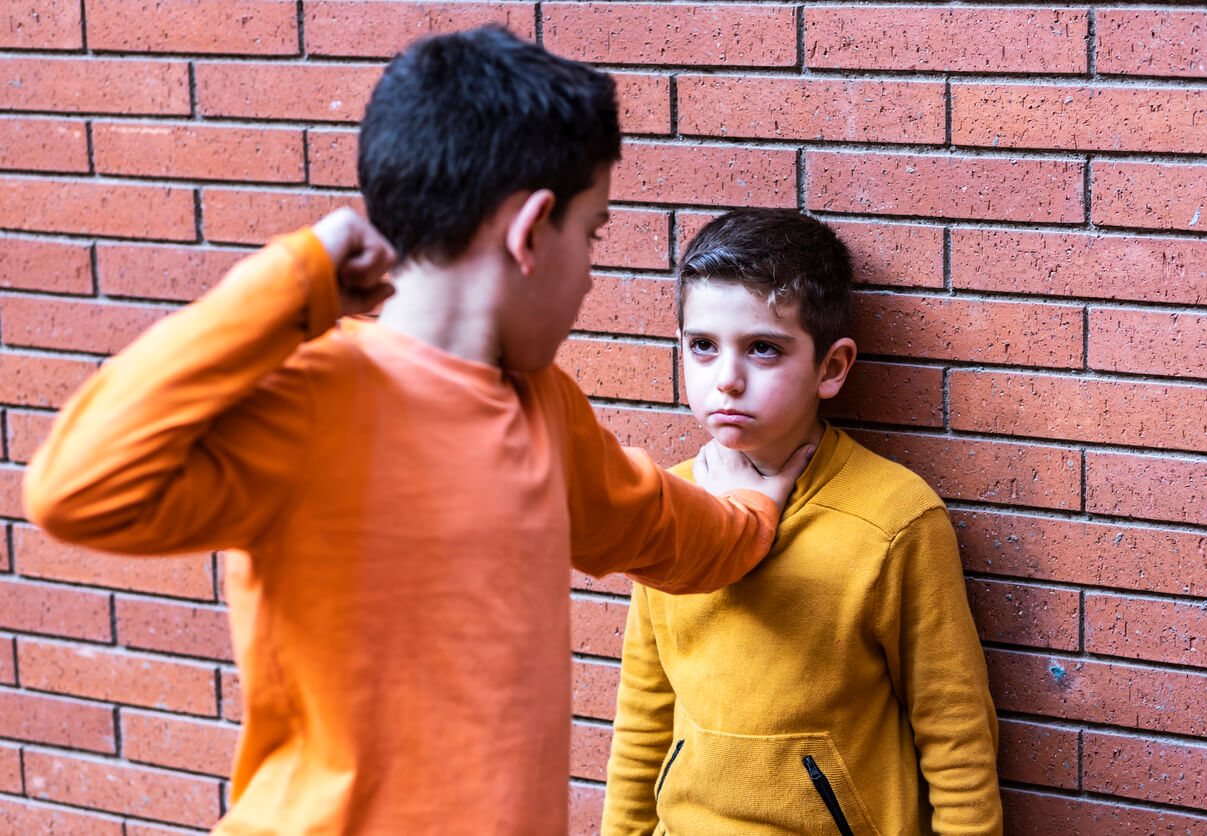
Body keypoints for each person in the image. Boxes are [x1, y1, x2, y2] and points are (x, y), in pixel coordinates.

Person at [21, 28, 814, 835]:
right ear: (531, 231)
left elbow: (662, 528)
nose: (589, 272)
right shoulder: (317, 394)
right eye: (592, 234)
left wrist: (757, 505)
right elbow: (76, 488)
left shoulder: (543, 408)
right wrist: (295, 278)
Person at [601, 208, 1002, 835]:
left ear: (832, 368)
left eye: (763, 348)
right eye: (702, 346)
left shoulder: (894, 518)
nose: (726, 380)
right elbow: (644, 713)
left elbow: (956, 734)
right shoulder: (668, 503)